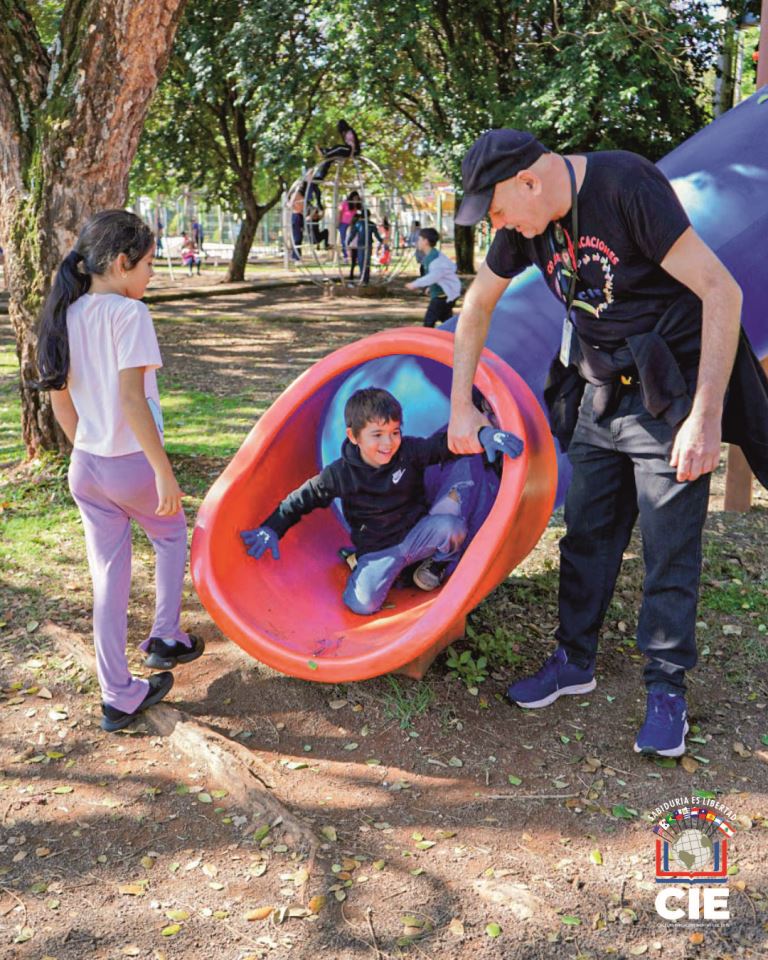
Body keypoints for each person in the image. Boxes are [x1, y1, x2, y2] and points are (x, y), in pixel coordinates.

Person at [448, 129, 768, 758]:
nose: (499, 224)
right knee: (588, 533)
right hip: (598, 389)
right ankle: (573, 659)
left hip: (666, 393)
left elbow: (722, 291)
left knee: (668, 545)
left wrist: (704, 418)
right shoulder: (525, 225)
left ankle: (667, 687)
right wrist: (461, 402)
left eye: (498, 209)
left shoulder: (627, 187)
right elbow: (478, 303)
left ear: (528, 182)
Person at [36, 210, 204, 733]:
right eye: (149, 264)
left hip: (86, 465)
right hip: (131, 464)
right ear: (122, 262)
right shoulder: (130, 316)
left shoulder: (67, 311)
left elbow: (61, 399)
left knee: (108, 579)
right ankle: (165, 637)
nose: (152, 274)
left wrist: (85, 447)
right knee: (172, 535)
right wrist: (163, 471)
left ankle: (119, 694)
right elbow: (134, 402)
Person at [240, 387, 523, 615]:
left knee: (452, 527)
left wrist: (483, 434)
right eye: (377, 435)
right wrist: (272, 527)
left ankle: (436, 565)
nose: (388, 443)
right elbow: (301, 499)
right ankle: (365, 567)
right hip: (380, 550)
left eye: (394, 432)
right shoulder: (340, 474)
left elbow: (444, 446)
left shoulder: (408, 451)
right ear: (354, 436)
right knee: (361, 605)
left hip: (416, 534)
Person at [406, 228, 461, 327]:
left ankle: (428, 341)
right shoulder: (432, 256)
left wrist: (415, 284)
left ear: (425, 241)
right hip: (444, 295)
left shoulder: (435, 260)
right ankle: (454, 338)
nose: (417, 242)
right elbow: (438, 277)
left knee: (429, 322)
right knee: (446, 321)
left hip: (443, 296)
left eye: (419, 239)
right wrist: (430, 288)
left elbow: (432, 277)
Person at [347, 209, 383, 284]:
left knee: (362, 262)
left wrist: (348, 241)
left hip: (364, 244)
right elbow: (353, 233)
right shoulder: (362, 224)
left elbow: (353, 233)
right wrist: (381, 240)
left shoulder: (364, 224)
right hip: (364, 245)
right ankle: (364, 278)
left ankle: (364, 278)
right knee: (365, 262)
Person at [338, 191, 360, 260]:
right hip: (343, 223)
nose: (355, 199)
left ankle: (354, 255)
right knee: (343, 239)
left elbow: (358, 214)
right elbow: (340, 212)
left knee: (354, 239)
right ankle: (345, 255)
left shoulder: (357, 205)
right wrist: (338, 221)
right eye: (354, 198)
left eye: (357, 198)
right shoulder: (345, 203)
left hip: (353, 224)